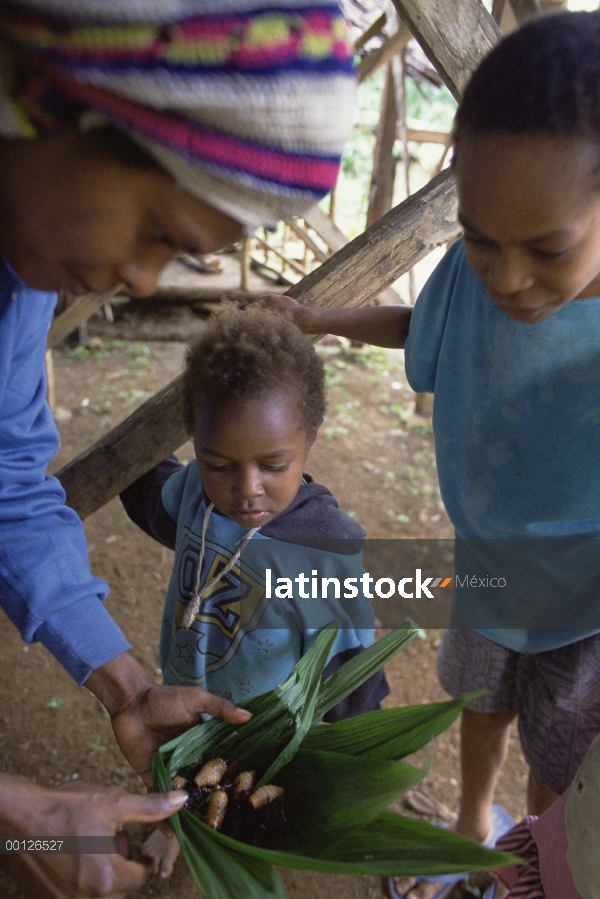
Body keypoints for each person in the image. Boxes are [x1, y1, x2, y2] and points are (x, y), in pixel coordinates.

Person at [0, 2, 356, 896]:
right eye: (160, 229)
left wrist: (125, 686)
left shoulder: (22, 275)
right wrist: (27, 817)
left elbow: (7, 482)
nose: (145, 279)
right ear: (53, 106)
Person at [264, 10, 600, 899]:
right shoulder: (472, 270)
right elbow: (428, 326)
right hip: (488, 563)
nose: (506, 276)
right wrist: (321, 320)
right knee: (479, 703)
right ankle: (466, 831)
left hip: (586, 600)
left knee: (556, 753)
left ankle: (526, 862)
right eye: (482, 238)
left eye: (546, 249)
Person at [119, 304, 390, 876]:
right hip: (187, 693)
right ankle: (173, 825)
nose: (246, 490)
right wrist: (141, 448)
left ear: (309, 439)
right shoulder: (195, 491)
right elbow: (148, 497)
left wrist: (364, 758)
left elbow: (350, 668)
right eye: (219, 463)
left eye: (274, 464)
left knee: (244, 806)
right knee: (177, 769)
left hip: (262, 726)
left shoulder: (326, 550)